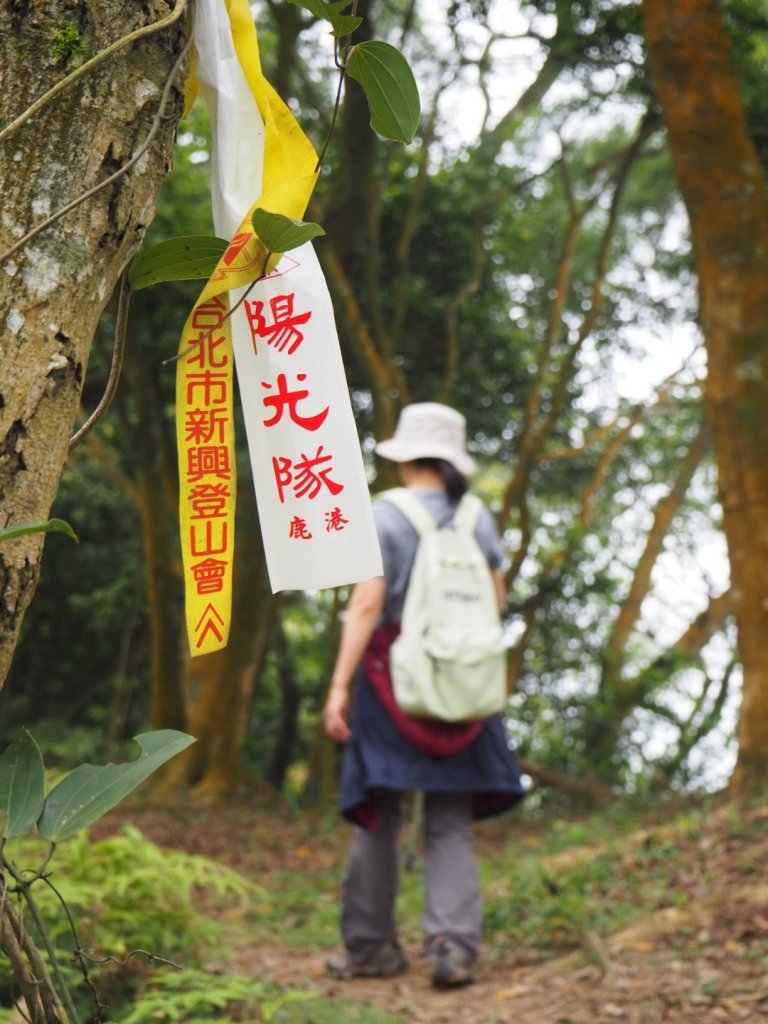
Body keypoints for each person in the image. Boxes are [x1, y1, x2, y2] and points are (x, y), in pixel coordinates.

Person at [322, 402, 525, 990]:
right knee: (450, 820)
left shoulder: (387, 515)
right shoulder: (476, 517)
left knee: (379, 815)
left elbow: (366, 603)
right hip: (464, 686)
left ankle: (369, 949)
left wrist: (339, 686)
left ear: (406, 455)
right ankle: (454, 948)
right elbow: (496, 599)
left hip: (394, 680)